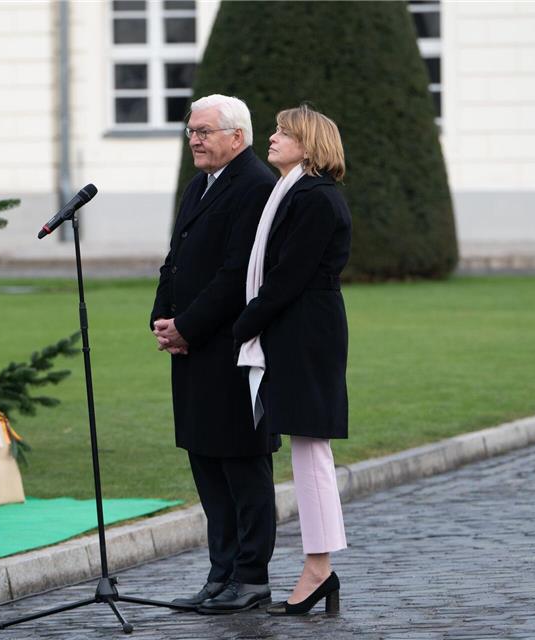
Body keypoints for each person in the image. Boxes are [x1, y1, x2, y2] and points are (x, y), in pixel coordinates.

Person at [151, 94, 279, 614]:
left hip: (233, 348)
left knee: (242, 467)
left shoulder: (255, 187)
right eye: (191, 132)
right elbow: (176, 259)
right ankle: (220, 573)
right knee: (206, 462)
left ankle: (251, 577)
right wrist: (162, 319)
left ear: (237, 137)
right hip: (192, 351)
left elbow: (237, 276)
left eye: (204, 132)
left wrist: (187, 326)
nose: (195, 140)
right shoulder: (199, 185)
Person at [232, 104, 351, 616]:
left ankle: (319, 568)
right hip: (295, 331)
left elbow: (287, 276)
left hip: (306, 335)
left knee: (311, 452)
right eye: (277, 131)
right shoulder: (293, 193)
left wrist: (241, 326)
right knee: (307, 451)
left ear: (310, 145)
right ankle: (318, 567)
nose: (274, 138)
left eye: (285, 133)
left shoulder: (316, 199)